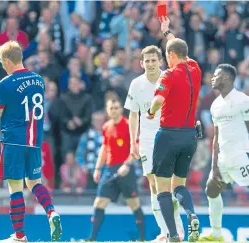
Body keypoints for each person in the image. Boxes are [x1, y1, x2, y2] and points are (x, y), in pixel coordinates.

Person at [0, 41, 62, 243]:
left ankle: (19, 236)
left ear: (6, 60)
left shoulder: (6, 83)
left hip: (13, 141)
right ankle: (51, 212)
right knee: (35, 183)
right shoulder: (38, 80)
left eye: (2, 62)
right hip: (35, 141)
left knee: (15, 188)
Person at [146, 17, 202, 242]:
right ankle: (192, 214)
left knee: (162, 188)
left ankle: (173, 235)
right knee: (179, 185)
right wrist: (167, 32)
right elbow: (180, 50)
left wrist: (150, 111)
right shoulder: (195, 68)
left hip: (168, 135)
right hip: (189, 136)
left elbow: (158, 100)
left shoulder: (168, 74)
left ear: (169, 56)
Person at [124, 45, 184, 242]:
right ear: (141, 63)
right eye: (146, 61)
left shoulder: (169, 78)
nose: (150, 64)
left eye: (153, 60)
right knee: (153, 184)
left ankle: (178, 230)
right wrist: (133, 142)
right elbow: (133, 114)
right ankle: (165, 231)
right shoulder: (136, 84)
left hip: (168, 136)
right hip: (147, 140)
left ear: (161, 61)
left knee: (168, 185)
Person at [199, 64, 249, 242]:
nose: (212, 78)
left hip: (240, 155)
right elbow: (217, 136)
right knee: (211, 189)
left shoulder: (242, 100)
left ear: (226, 78)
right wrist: (214, 163)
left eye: (216, 75)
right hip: (222, 158)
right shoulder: (215, 105)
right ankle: (216, 233)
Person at [86, 99, 145, 241]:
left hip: (126, 169)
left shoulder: (128, 125)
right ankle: (91, 238)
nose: (113, 110)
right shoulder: (106, 126)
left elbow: (137, 147)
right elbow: (104, 148)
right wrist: (98, 168)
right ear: (107, 110)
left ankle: (143, 238)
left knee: (134, 204)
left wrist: (127, 164)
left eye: (116, 107)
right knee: (99, 203)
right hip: (110, 169)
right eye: (111, 108)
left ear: (121, 109)